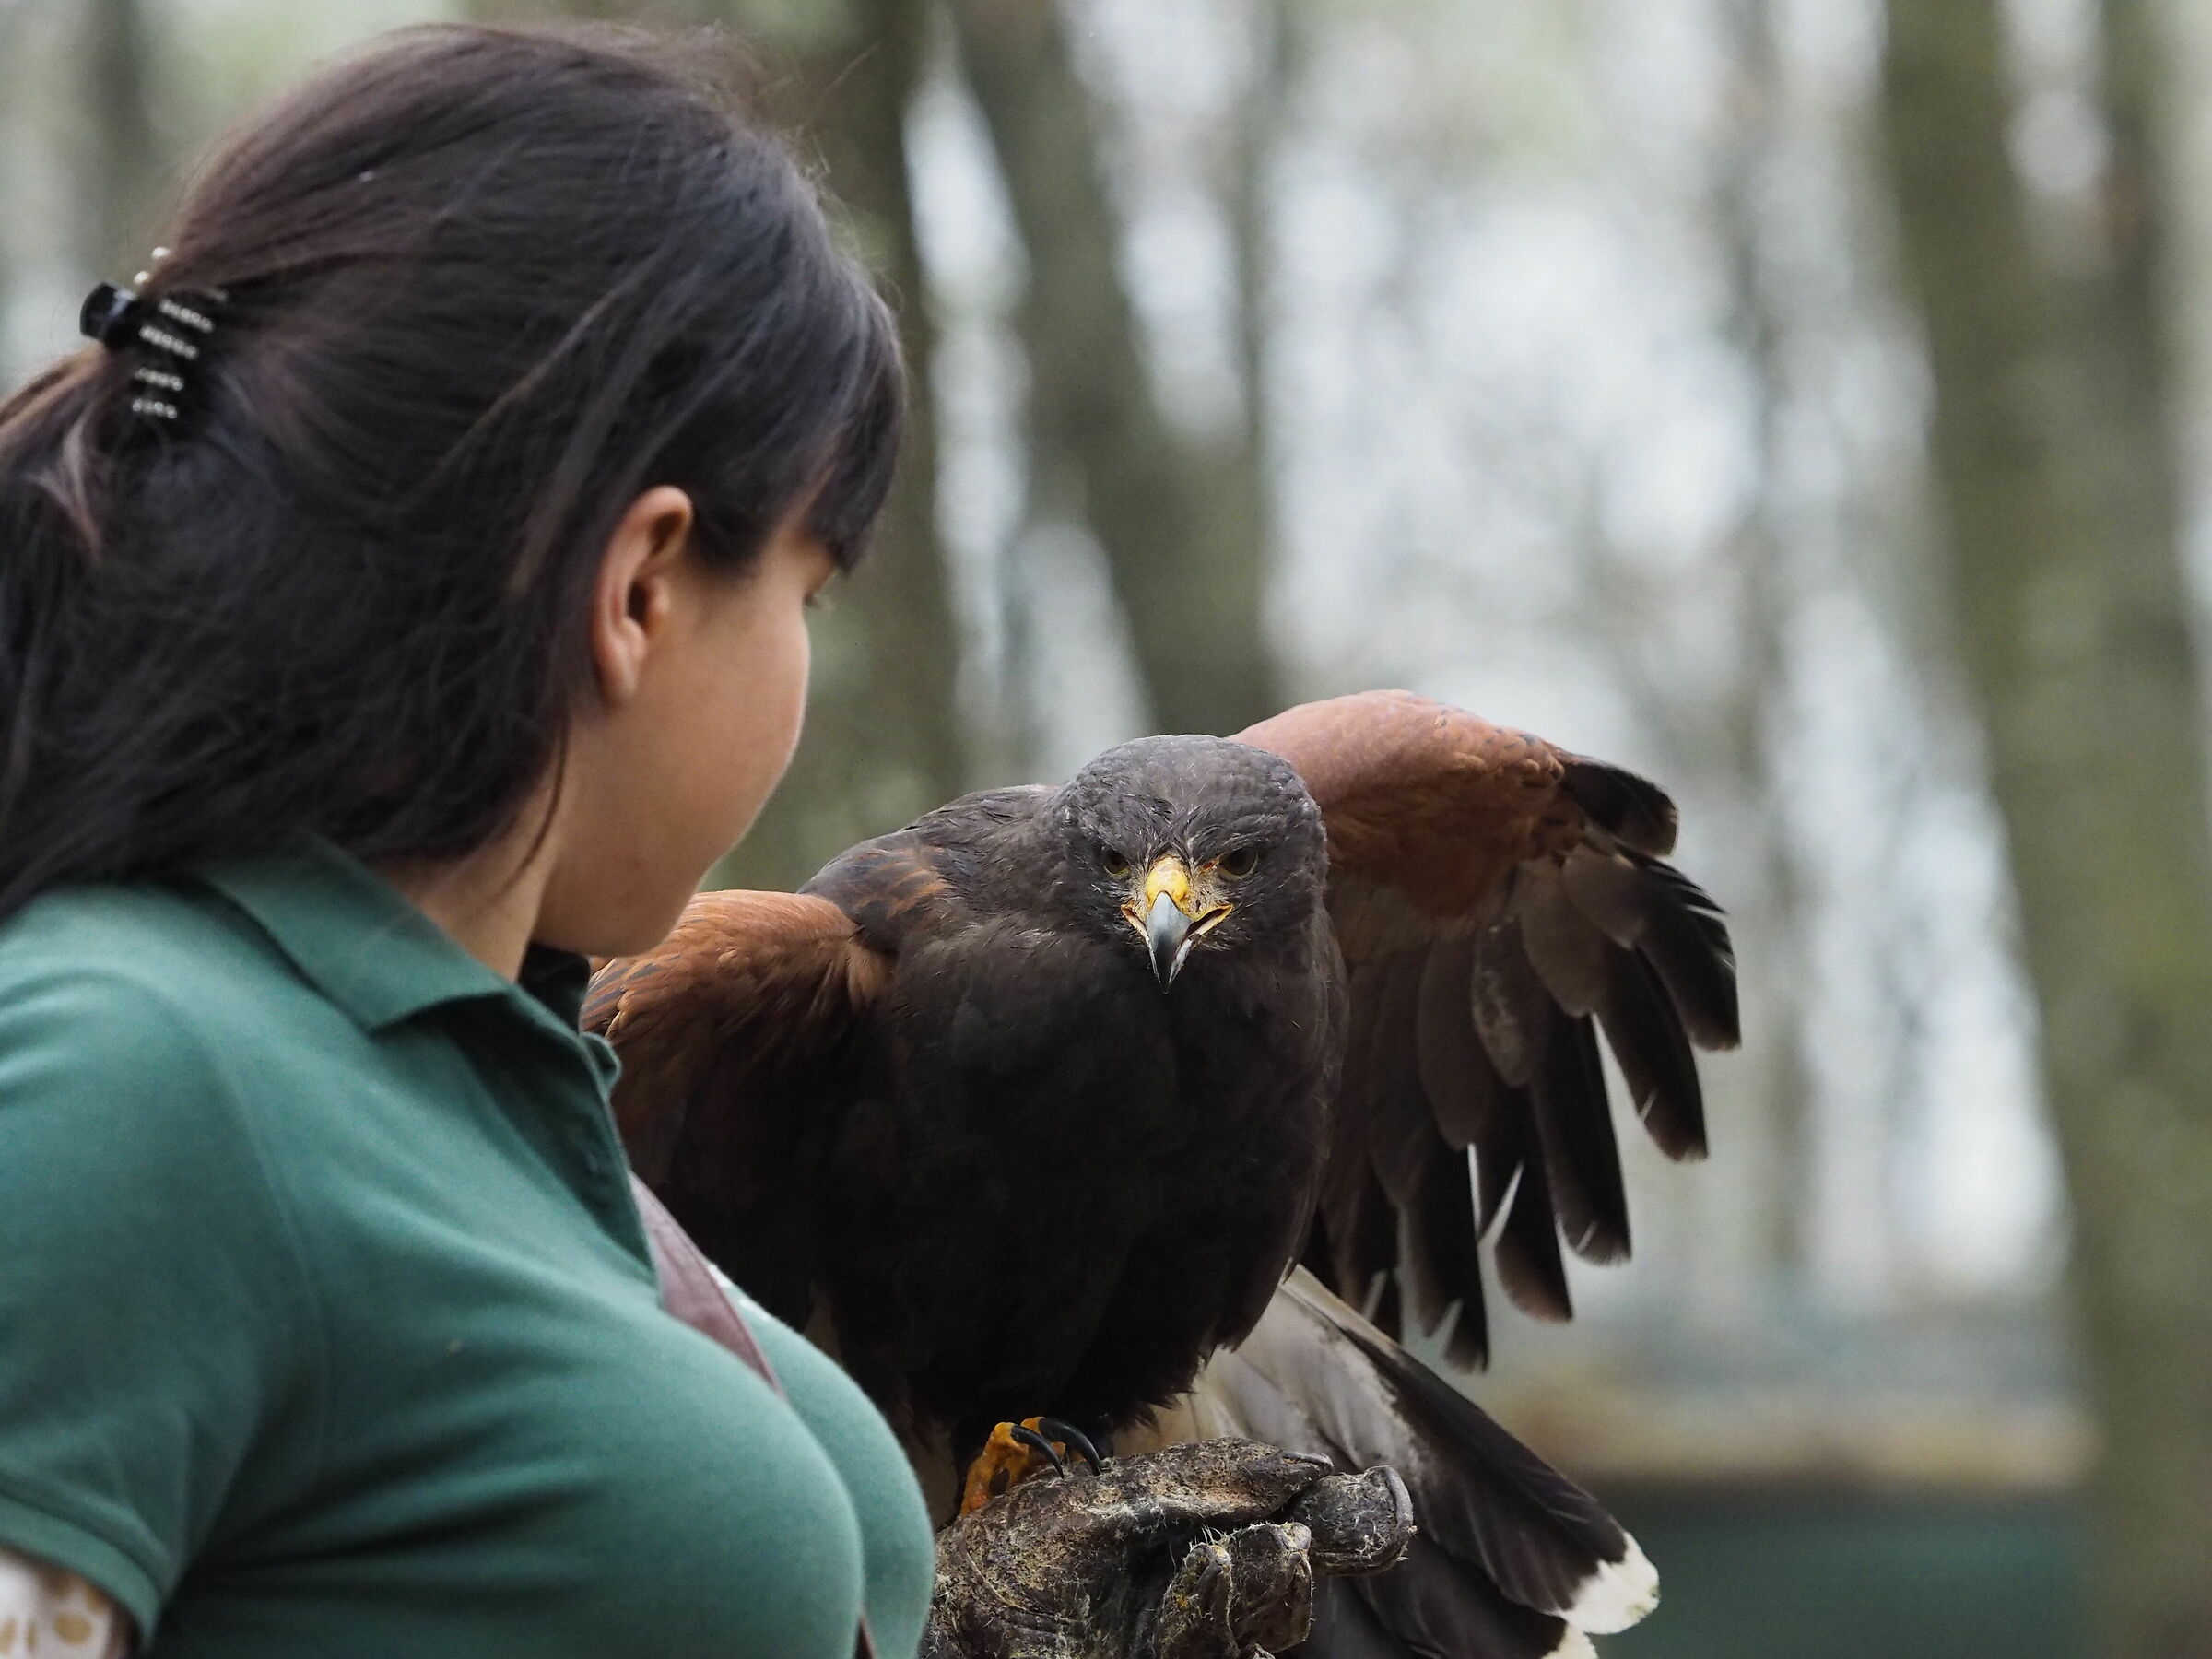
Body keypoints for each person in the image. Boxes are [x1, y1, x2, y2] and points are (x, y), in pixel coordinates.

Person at [0, 23, 931, 1657]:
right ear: (642, 587)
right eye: (810, 588)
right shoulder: (133, 1064)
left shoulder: (479, 1091)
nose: (806, 652)